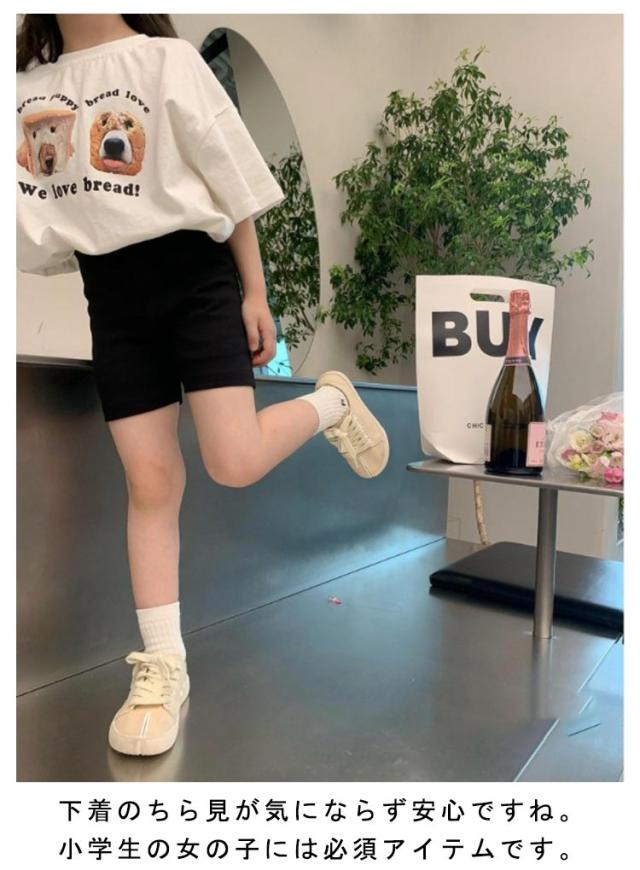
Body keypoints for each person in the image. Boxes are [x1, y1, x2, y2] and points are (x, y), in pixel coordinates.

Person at [16, 14, 390, 757]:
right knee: (150, 483)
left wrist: (256, 293)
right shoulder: (26, 91)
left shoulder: (168, 61)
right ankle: (163, 666)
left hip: (196, 279)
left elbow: (231, 183)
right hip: (111, 298)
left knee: (234, 459)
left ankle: (331, 402)